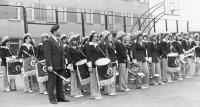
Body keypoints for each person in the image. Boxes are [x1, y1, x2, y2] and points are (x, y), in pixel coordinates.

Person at [43, 24, 70, 104]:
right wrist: (49, 65)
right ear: (54, 31)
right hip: (53, 66)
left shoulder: (59, 41)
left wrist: (64, 64)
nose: (60, 31)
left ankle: (60, 97)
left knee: (59, 82)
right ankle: (52, 98)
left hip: (61, 65)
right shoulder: (48, 41)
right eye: (59, 30)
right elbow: (47, 55)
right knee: (52, 82)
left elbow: (62, 54)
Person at [85, 32, 103, 100]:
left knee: (97, 79)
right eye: (95, 36)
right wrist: (89, 66)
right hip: (92, 64)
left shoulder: (96, 45)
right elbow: (88, 56)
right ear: (91, 37)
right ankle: (93, 94)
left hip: (97, 64)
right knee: (93, 80)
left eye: (97, 36)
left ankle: (97, 93)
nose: (96, 38)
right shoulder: (88, 45)